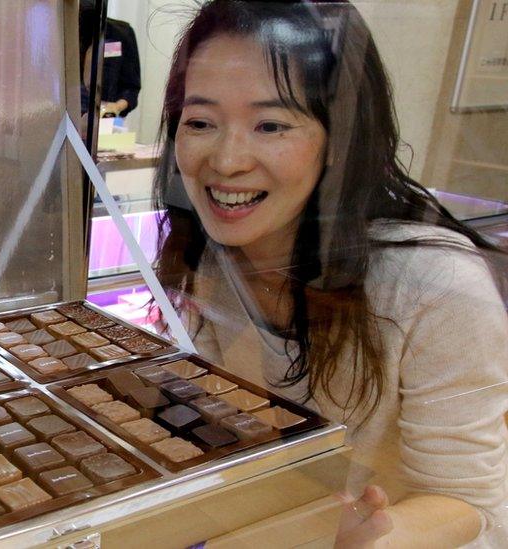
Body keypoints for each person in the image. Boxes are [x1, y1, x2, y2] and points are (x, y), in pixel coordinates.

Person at [151, 1, 508, 547]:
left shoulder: (433, 284)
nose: (226, 161)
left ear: (340, 139)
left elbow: (469, 501)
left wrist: (369, 537)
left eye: (270, 124)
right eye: (201, 123)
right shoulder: (211, 251)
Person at [79, 1, 142, 118]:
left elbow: (131, 87)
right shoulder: (57, 34)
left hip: (103, 121)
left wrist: (115, 107)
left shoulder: (121, 34)